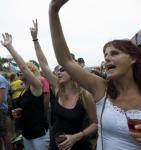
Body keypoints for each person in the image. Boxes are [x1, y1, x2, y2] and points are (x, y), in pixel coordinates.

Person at [49, 0, 141, 149]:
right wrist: (53, 11)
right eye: (105, 55)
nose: (107, 58)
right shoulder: (102, 89)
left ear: (133, 58)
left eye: (115, 53)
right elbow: (66, 60)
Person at [30, 19, 97, 150]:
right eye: (58, 70)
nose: (58, 72)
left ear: (73, 71)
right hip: (56, 145)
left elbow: (96, 123)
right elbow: (43, 64)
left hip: (77, 145)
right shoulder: (57, 88)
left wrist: (76, 136)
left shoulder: (84, 95)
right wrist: (35, 39)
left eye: (63, 69)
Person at [1, 33, 49, 150]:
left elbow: (22, 66)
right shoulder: (24, 90)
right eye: (18, 72)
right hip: (27, 134)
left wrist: (10, 47)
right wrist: (15, 112)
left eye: (23, 70)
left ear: (30, 72)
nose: (19, 72)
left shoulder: (36, 86)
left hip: (39, 135)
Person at [0, 74, 12, 150]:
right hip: (3, 110)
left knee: (5, 134)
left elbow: (1, 98)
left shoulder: (0, 79)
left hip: (1, 110)